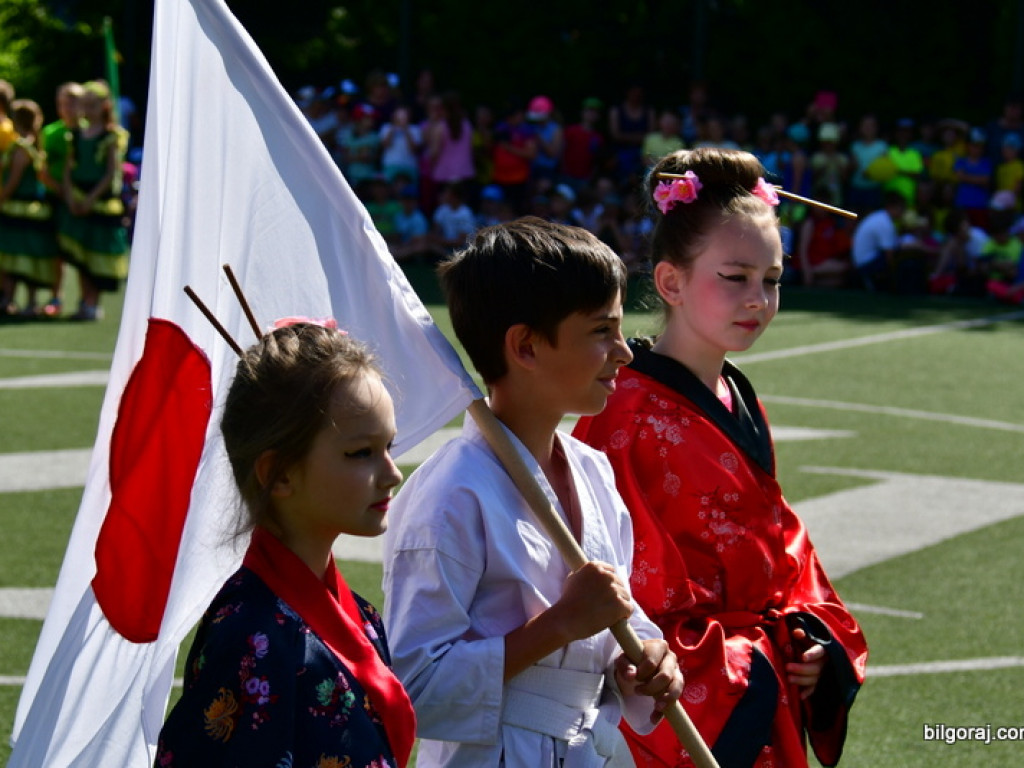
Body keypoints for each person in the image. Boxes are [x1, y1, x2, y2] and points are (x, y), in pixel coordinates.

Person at [573, 148, 867, 768]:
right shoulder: (625, 412)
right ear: (671, 281)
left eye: (773, 279)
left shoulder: (737, 393)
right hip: (693, 688)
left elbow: (782, 537)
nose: (758, 298)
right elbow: (613, 575)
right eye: (735, 277)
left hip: (761, 674)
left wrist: (813, 637)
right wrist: (736, 660)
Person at [382, 218, 684, 768]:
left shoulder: (594, 473)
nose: (625, 351)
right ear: (524, 346)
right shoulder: (451, 492)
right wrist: (558, 625)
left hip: (590, 748)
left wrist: (644, 659)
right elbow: (414, 688)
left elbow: (616, 619)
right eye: (600, 331)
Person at [155, 322, 416, 768]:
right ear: (279, 474)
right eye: (361, 453)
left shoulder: (359, 613)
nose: (393, 474)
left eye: (389, 446)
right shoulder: (251, 636)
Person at [58, 79, 130, 320]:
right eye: (84, 104)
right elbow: (69, 169)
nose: (87, 110)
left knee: (95, 254)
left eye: (92, 105)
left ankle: (92, 302)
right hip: (78, 197)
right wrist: (70, 196)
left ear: (104, 106)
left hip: (98, 201)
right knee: (80, 255)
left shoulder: (110, 136)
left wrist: (90, 199)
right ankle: (83, 299)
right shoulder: (76, 134)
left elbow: (111, 172)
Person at [0, 100, 60, 316]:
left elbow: (13, 180)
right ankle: (21, 300)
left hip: (19, 206)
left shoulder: (21, 147)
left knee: (16, 256)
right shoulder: (35, 144)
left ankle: (16, 300)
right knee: (25, 256)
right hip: (32, 206)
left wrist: (2, 197)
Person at [38, 81, 84, 317]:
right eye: (62, 103)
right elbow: (43, 171)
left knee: (85, 252)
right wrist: (62, 192)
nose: (66, 107)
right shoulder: (50, 132)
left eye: (71, 102)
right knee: (58, 251)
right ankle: (57, 296)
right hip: (57, 199)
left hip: (83, 200)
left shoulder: (87, 132)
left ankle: (87, 301)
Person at [852, 191, 906, 290]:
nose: (902, 212)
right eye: (901, 209)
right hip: (865, 264)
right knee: (900, 260)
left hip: (862, 260)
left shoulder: (880, 217)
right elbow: (889, 254)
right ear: (892, 207)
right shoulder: (885, 223)